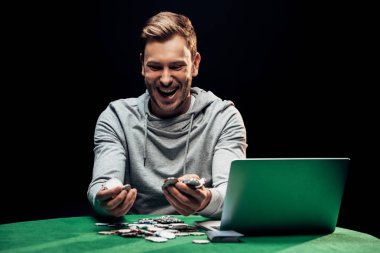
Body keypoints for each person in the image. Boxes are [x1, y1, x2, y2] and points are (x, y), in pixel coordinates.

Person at [87, 11, 247, 219]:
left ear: (195, 64)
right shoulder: (116, 117)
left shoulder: (224, 118)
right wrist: (105, 202)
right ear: (142, 65)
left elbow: (233, 195)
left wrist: (206, 199)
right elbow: (100, 185)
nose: (165, 79)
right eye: (155, 67)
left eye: (176, 66)